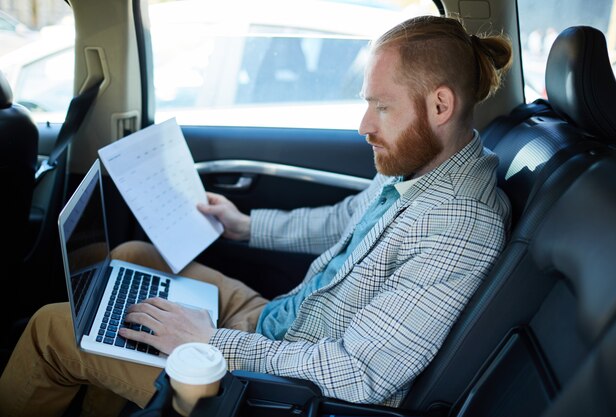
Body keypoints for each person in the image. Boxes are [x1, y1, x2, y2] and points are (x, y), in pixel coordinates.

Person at [0, 15, 513, 417]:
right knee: (132, 257)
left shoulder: (461, 224)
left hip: (275, 389)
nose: (363, 125)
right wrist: (243, 225)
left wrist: (210, 340)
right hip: (284, 321)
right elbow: (343, 221)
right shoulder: (419, 165)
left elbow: (358, 376)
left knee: (53, 330)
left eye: (380, 107)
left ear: (440, 105)